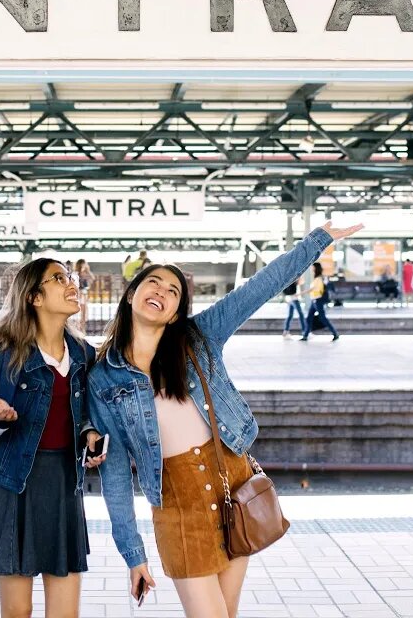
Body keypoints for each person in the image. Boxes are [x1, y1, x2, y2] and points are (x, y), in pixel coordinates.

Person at [89, 221, 362, 618]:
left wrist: (316, 241)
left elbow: (260, 287)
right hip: (178, 505)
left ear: (176, 311)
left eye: (173, 291)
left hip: (231, 486)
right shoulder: (104, 376)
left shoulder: (199, 337)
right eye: (154, 284)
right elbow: (114, 473)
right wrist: (133, 554)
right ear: (132, 293)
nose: (161, 292)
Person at [0, 258, 104, 617]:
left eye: (69, 276)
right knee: (17, 612)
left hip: (63, 486)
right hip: (11, 489)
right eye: (59, 278)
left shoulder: (85, 355)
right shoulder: (2, 358)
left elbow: (86, 415)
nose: (71, 283)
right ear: (34, 297)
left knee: (65, 613)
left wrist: (90, 435)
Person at [300, 262, 339, 342]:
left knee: (323, 318)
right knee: (309, 318)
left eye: (313, 267)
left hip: (318, 301)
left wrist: (302, 293)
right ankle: (305, 335)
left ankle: (335, 333)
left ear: (316, 268)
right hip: (314, 301)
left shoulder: (319, 278)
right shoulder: (316, 278)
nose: (311, 269)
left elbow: (316, 289)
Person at [74, 259, 93, 328]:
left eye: (84, 264)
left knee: (84, 309)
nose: (84, 265)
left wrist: (87, 272)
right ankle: (78, 325)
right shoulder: (76, 273)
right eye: (82, 264)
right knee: (79, 309)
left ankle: (82, 325)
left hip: (84, 292)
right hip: (79, 293)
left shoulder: (87, 273)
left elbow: (91, 279)